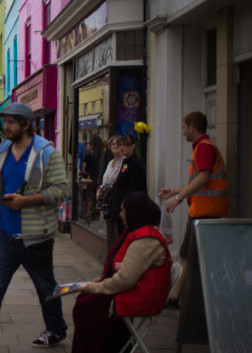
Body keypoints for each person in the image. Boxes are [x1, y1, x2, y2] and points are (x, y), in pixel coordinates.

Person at [0, 102, 69, 353]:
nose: (5, 126)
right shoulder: (1, 152)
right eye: (4, 121)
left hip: (35, 237)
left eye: (11, 122)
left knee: (46, 289)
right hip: (4, 235)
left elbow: (62, 190)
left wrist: (27, 201)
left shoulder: (47, 153)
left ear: (26, 124)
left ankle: (56, 328)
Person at [72, 191, 172, 353]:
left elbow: (125, 279)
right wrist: (98, 281)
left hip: (139, 298)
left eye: (123, 210)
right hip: (132, 291)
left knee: (86, 308)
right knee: (85, 300)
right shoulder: (136, 232)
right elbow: (120, 270)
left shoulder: (146, 241)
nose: (120, 214)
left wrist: (96, 287)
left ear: (134, 213)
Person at [158, 111, 227, 310]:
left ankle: (175, 297)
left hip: (204, 212)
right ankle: (179, 297)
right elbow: (200, 183)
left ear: (192, 127)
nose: (182, 132)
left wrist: (178, 198)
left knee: (187, 256)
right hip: (208, 211)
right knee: (191, 256)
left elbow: (203, 178)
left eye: (184, 127)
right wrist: (174, 190)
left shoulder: (204, 148)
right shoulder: (205, 147)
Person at [107, 134, 147, 249]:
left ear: (133, 146)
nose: (122, 148)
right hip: (117, 209)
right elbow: (121, 180)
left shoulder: (136, 164)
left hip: (126, 211)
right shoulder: (126, 162)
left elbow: (135, 189)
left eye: (126, 145)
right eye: (121, 145)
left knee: (123, 243)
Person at [96, 135, 124, 246]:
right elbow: (105, 181)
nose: (115, 146)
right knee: (110, 236)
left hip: (117, 205)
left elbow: (120, 182)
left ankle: (117, 261)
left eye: (118, 144)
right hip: (107, 205)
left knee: (118, 236)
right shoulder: (110, 162)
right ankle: (111, 260)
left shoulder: (124, 162)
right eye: (113, 144)